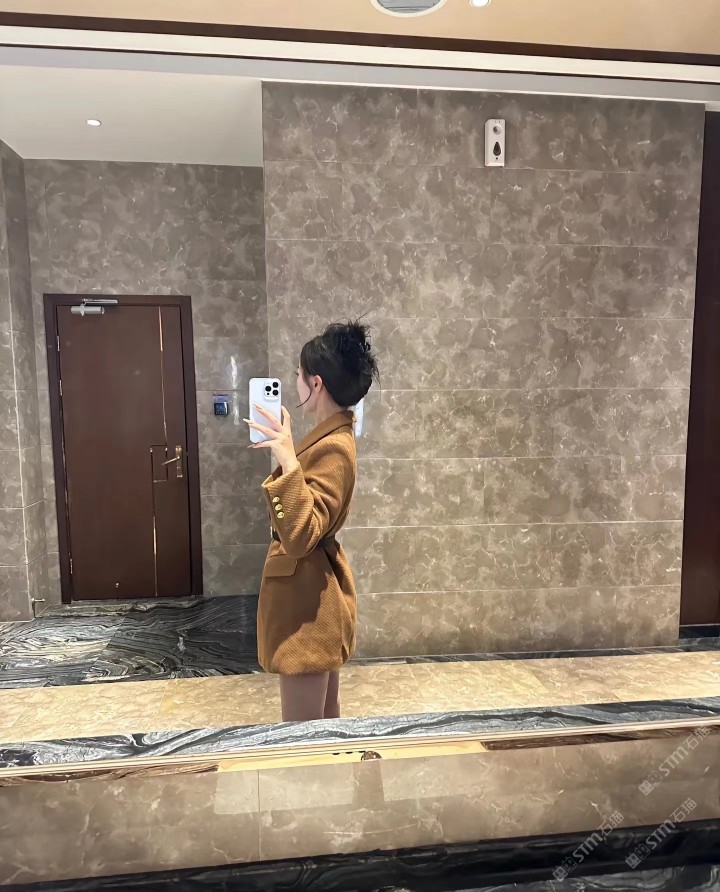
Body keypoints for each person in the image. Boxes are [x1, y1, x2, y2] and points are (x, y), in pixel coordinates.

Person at [244, 321, 379, 722]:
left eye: (299, 375)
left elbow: (302, 535)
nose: (295, 382)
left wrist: (287, 459)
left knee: (301, 736)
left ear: (316, 384)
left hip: (307, 605)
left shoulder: (334, 447)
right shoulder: (330, 437)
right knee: (323, 725)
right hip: (310, 597)